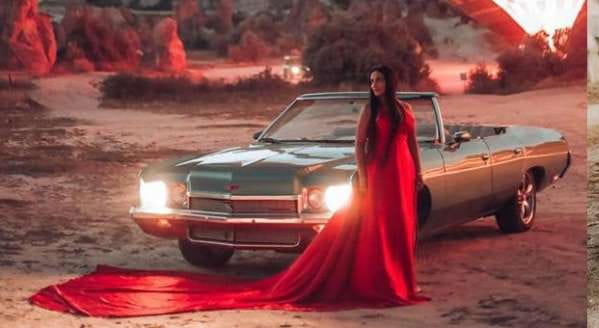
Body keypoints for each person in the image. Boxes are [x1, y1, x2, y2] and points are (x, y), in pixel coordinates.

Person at [28, 65, 429, 316]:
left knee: (397, 227)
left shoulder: (405, 112)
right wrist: (362, 173)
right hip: (375, 172)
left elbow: (410, 144)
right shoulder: (369, 111)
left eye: (379, 79)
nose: (374, 85)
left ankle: (396, 279)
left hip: (399, 171)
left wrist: (417, 172)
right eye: (370, 80)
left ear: (390, 82)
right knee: (378, 229)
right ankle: (383, 279)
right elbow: (360, 145)